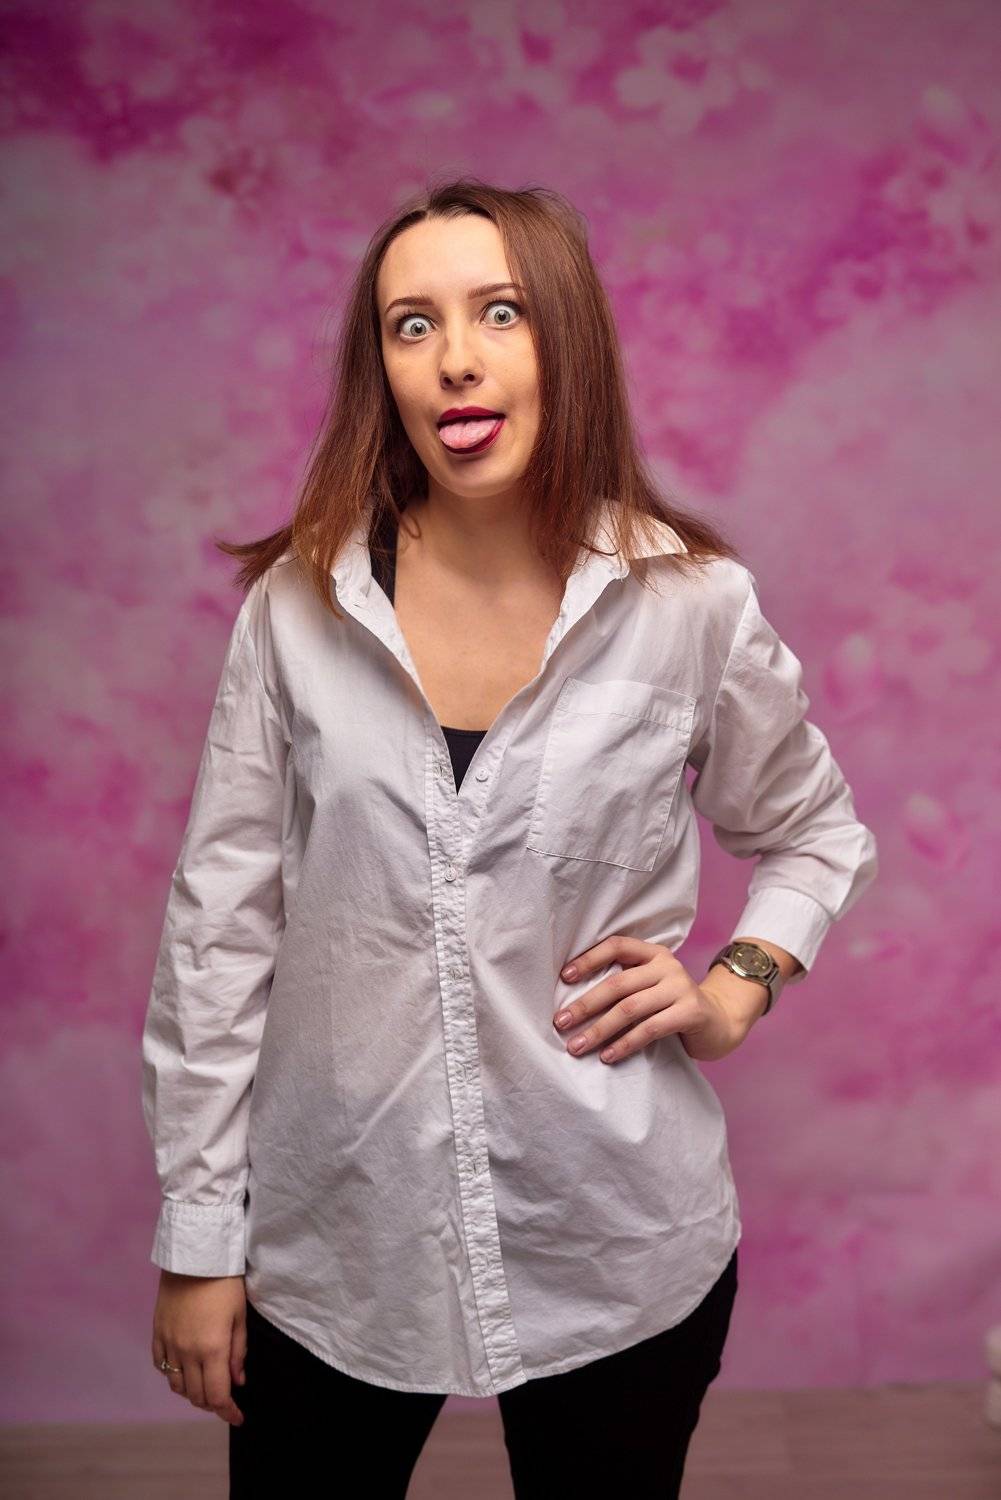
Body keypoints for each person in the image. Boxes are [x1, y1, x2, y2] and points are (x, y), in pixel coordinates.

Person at [141, 178, 878, 1498]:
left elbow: (814, 832)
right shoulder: (295, 611)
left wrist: (731, 990)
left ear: (566, 342)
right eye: (410, 324)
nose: (456, 358)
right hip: (334, 1246)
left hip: (616, 1241)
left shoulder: (692, 606)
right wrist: (200, 1243)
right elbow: (218, 937)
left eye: (500, 312)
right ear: (380, 369)